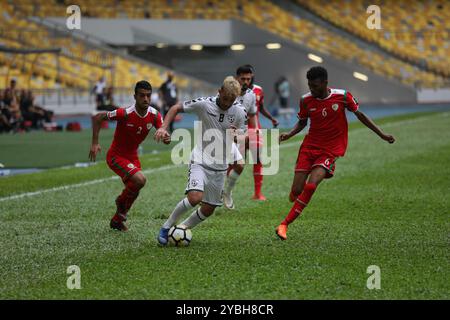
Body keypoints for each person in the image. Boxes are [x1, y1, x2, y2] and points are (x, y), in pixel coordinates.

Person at [275, 66, 395, 240]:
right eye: (309, 86)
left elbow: (360, 115)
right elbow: (302, 122)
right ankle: (296, 194)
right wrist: (289, 134)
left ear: (325, 83)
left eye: (315, 86)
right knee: (297, 190)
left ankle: (284, 224)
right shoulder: (306, 100)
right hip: (309, 147)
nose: (312, 89)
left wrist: (382, 134)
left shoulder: (343, 96)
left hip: (330, 150)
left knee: (311, 186)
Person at [155, 76, 247, 245]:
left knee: (208, 209)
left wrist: (237, 136)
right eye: (225, 98)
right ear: (219, 91)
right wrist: (163, 127)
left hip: (220, 166)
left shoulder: (239, 112)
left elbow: (242, 137)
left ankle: (181, 228)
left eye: (232, 100)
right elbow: (176, 107)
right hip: (200, 160)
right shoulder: (204, 104)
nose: (227, 103)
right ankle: (166, 226)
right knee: (195, 197)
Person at [89, 80, 170, 231]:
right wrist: (95, 143)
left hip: (133, 156)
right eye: (142, 95)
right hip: (116, 156)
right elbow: (98, 117)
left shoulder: (154, 115)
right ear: (135, 96)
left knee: (135, 188)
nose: (145, 99)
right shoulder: (125, 113)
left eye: (148, 96)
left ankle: (117, 220)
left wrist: (167, 137)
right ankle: (120, 202)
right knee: (140, 180)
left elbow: (164, 134)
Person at [224, 64, 280, 203]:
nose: (246, 81)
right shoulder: (231, 91)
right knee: (236, 162)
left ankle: (258, 193)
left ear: (252, 77)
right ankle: (224, 190)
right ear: (238, 78)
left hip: (254, 129)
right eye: (243, 78)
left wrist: (270, 119)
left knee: (258, 159)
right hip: (236, 131)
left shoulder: (257, 91)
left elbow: (258, 109)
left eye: (249, 78)